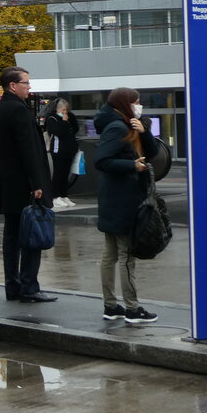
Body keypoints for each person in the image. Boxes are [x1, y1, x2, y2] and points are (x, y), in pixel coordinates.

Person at [0, 67, 56, 303]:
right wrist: (36, 183)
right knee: (31, 235)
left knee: (12, 236)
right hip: (26, 183)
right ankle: (29, 287)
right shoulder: (19, 111)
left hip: (8, 181)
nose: (29, 87)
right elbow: (29, 151)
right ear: (13, 86)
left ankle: (12, 286)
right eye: (26, 83)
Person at [93, 87, 160, 324]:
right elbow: (102, 160)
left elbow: (153, 153)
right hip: (121, 200)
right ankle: (132, 308)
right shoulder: (116, 127)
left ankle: (111, 306)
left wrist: (145, 132)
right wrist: (132, 166)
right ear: (125, 104)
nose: (139, 105)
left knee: (110, 254)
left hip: (117, 198)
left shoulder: (130, 125)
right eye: (136, 101)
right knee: (125, 255)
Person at [44, 97, 80, 208]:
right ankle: (55, 196)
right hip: (58, 150)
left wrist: (70, 118)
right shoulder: (52, 118)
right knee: (58, 174)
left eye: (66, 110)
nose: (65, 112)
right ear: (57, 109)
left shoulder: (69, 117)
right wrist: (64, 121)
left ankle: (64, 195)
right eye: (63, 110)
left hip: (69, 150)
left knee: (65, 174)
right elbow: (57, 132)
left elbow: (75, 129)